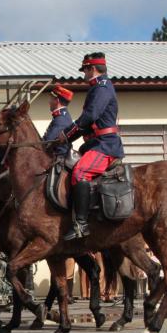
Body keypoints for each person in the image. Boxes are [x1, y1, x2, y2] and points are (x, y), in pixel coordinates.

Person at [59, 52, 124, 240]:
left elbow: (90, 117)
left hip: (105, 145)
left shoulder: (102, 88)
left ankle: (81, 224)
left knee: (80, 172)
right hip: (96, 144)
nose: (84, 74)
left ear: (91, 68)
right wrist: (67, 138)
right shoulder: (97, 88)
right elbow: (86, 123)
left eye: (85, 70)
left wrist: (67, 134)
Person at [43, 85, 74, 152]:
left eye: (51, 98)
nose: (49, 102)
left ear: (56, 101)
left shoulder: (61, 119)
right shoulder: (60, 116)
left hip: (58, 158)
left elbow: (47, 142)